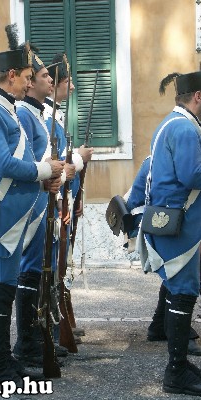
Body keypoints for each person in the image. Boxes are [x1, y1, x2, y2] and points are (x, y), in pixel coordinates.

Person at [0, 40, 65, 384]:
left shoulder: (6, 108)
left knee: (8, 287)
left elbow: (23, 162)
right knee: (0, 288)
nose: (30, 84)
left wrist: (45, 180)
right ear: (11, 75)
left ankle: (8, 360)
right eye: (27, 76)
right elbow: (4, 165)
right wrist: (45, 172)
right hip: (3, 214)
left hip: (18, 213)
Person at [137, 71, 201, 395]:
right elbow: (193, 175)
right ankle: (176, 372)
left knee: (179, 289)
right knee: (184, 292)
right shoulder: (186, 129)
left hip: (168, 221)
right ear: (198, 97)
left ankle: (180, 366)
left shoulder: (169, 124)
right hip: (182, 226)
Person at [13, 51, 74, 367]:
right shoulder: (24, 114)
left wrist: (61, 175)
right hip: (34, 204)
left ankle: (39, 337)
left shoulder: (37, 114)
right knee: (32, 269)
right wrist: (56, 173)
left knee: (43, 270)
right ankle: (27, 342)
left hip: (47, 203)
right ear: (30, 83)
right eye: (45, 76)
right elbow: (30, 164)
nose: (51, 79)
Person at [125, 156, 201, 356]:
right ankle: (178, 334)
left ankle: (159, 325)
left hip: (155, 218)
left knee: (176, 269)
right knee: (183, 271)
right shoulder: (172, 161)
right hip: (152, 221)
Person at [44, 53, 94, 344]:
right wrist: (79, 157)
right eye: (67, 81)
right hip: (55, 202)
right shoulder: (45, 115)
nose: (72, 86)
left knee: (62, 266)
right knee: (55, 267)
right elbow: (53, 162)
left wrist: (74, 200)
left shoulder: (57, 113)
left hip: (65, 200)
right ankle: (52, 331)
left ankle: (61, 323)